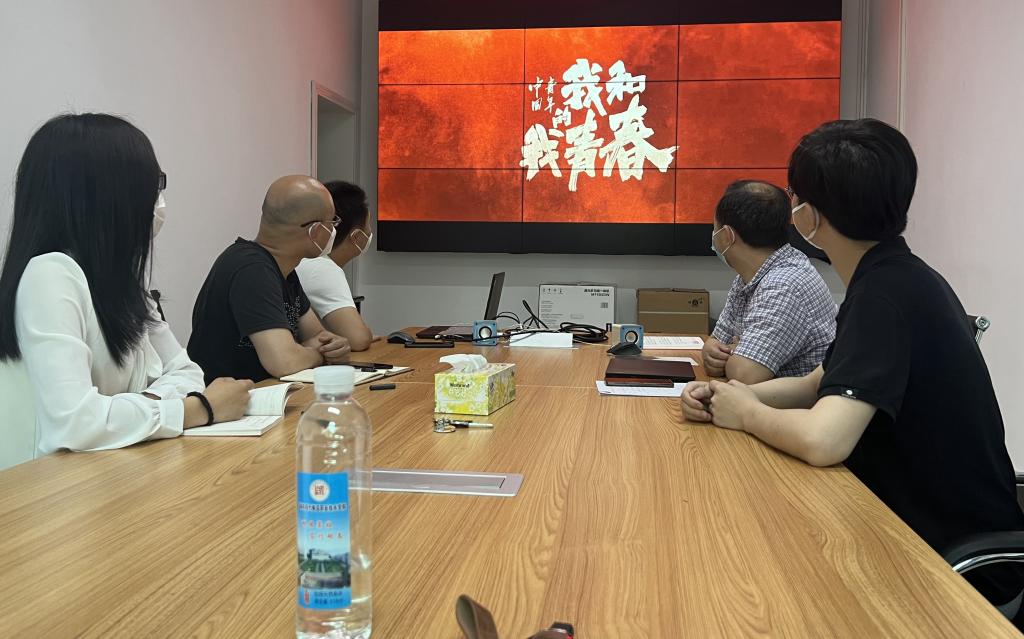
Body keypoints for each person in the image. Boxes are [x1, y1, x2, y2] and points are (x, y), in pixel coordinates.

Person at [682, 118, 1024, 606]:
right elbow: (818, 383)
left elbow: (825, 439)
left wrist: (749, 414)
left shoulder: (885, 295)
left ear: (809, 217)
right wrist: (729, 396)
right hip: (900, 524)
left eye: (793, 196)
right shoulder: (896, 277)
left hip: (949, 564)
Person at [0, 113, 253, 456]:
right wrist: (200, 409)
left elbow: (187, 371)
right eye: (152, 186)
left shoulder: (125, 285)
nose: (157, 201)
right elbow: (75, 424)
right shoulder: (50, 275)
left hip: (112, 466)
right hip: (50, 482)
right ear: (107, 196)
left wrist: (135, 407)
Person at [188, 175, 351, 383]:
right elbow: (284, 362)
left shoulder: (284, 269)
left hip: (264, 392)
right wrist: (318, 354)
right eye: (332, 222)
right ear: (316, 230)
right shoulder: (252, 269)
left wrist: (333, 347)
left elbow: (318, 337)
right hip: (232, 399)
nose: (334, 230)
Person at [704, 180, 836, 383]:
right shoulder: (749, 276)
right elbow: (719, 340)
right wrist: (712, 350)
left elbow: (744, 376)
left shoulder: (783, 286)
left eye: (715, 229)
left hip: (799, 403)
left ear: (727, 236)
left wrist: (735, 353)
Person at [294, 181, 374, 351]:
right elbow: (358, 339)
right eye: (368, 226)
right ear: (356, 237)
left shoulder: (305, 261)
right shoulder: (320, 268)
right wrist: (365, 335)